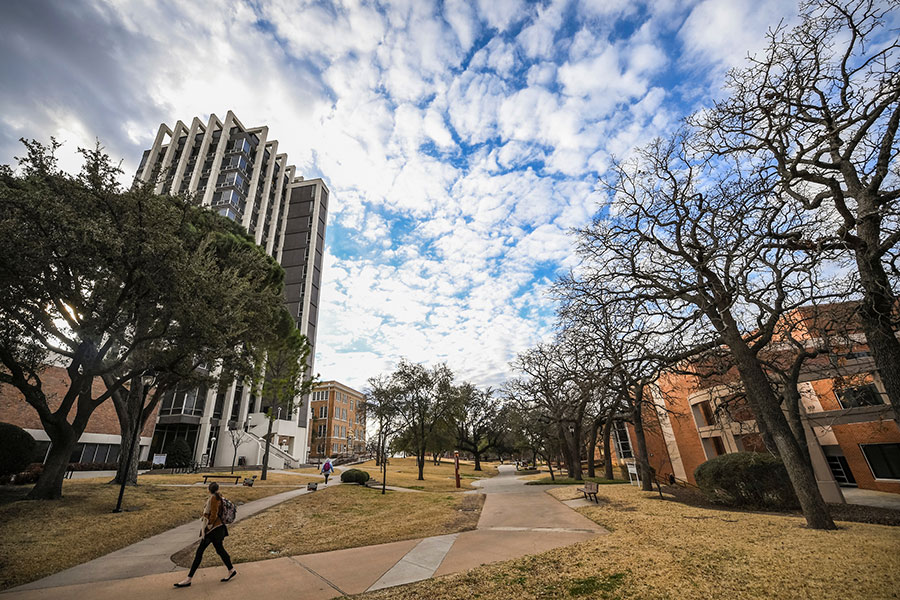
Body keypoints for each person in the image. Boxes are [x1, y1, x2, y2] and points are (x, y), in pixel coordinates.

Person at [174, 482, 237, 588]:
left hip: (213, 529)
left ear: (209, 489)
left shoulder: (213, 498)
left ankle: (189, 579)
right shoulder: (219, 496)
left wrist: (209, 525)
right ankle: (231, 569)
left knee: (200, 552)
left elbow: (214, 513)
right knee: (220, 550)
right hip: (219, 528)